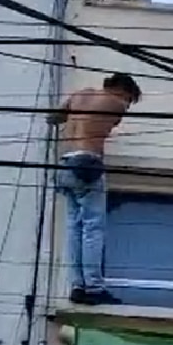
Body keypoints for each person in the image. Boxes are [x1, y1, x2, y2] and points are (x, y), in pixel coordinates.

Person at [49, 72, 143, 305]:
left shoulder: (79, 95)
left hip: (63, 165)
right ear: (124, 90)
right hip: (87, 163)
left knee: (74, 227)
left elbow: (53, 118)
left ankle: (77, 285)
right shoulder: (116, 103)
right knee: (93, 227)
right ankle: (94, 287)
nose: (128, 106)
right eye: (130, 100)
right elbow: (109, 121)